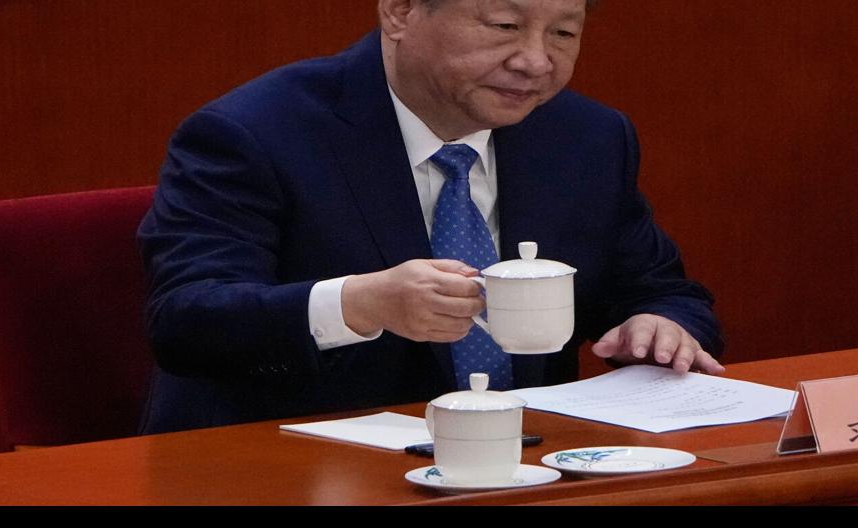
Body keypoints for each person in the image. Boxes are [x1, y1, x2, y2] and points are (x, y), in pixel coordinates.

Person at [137, 0, 724, 434]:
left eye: (564, 33)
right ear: (400, 11)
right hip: (291, 463)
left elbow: (662, 289)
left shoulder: (584, 137)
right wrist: (360, 304)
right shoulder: (254, 133)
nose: (535, 61)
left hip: (527, 468)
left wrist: (660, 325)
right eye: (505, 26)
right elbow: (189, 320)